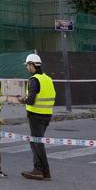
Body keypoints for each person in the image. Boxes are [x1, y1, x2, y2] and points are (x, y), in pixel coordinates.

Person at [21, 52, 56, 181]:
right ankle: (42, 171)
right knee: (36, 141)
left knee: (36, 143)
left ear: (32, 65)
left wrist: (22, 100)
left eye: (27, 65)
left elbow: (30, 100)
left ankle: (41, 170)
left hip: (36, 116)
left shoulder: (33, 80)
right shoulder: (48, 79)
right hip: (47, 115)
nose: (27, 68)